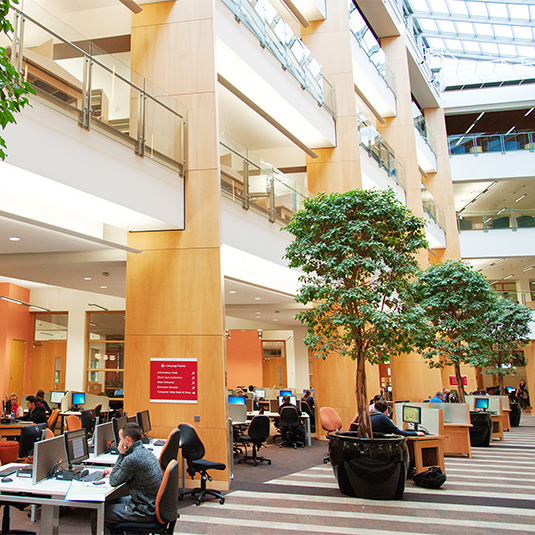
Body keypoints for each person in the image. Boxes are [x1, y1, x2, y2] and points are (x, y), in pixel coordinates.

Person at [91, 422, 163, 535]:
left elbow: (114, 481)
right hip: (153, 504)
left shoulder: (131, 459)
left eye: (120, 439)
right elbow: (127, 473)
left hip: (144, 509)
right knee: (108, 502)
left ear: (127, 440)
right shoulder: (145, 452)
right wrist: (119, 470)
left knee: (98, 514)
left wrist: (121, 454)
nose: (119, 443)